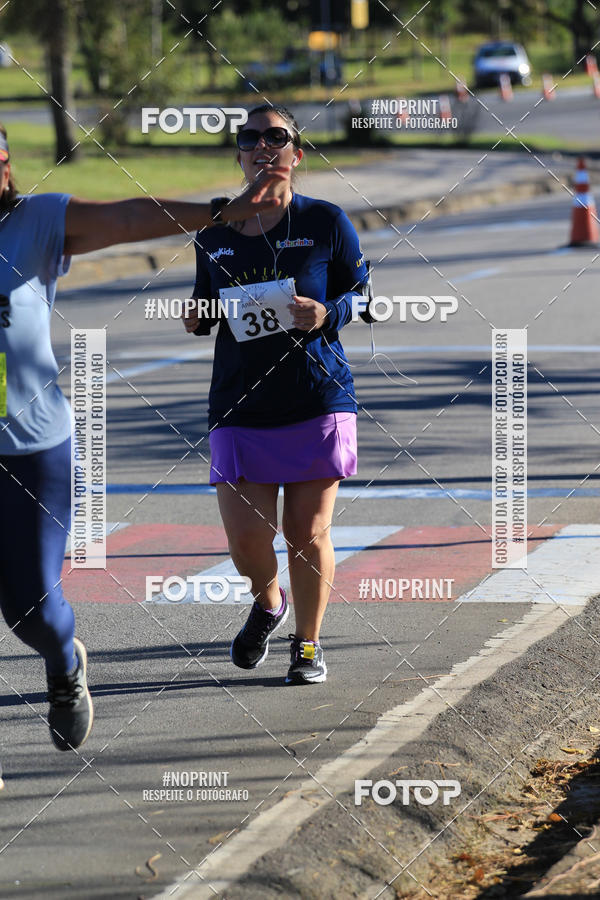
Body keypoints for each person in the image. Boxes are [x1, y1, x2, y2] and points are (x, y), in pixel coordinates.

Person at [0, 120, 289, 754]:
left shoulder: (34, 224)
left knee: (30, 610)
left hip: (29, 448)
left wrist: (220, 212)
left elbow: (130, 219)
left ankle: (64, 662)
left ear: (4, 165)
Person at [183, 104, 368, 685]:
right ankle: (268, 602)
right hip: (239, 406)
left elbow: (363, 296)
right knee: (245, 543)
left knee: (306, 533)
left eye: (276, 136)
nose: (263, 145)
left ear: (296, 153)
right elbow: (206, 307)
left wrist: (327, 312)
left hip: (316, 397)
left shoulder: (328, 221)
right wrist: (195, 316)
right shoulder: (213, 234)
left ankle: (307, 646)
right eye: (249, 138)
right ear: (239, 155)